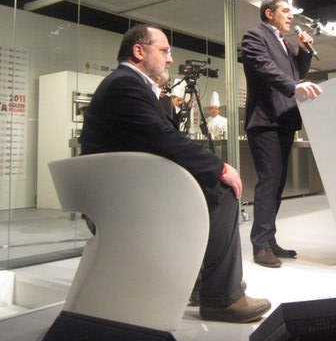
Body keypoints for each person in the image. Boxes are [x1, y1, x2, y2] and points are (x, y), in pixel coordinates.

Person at [79, 24, 271, 323]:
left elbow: (157, 138)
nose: (170, 59)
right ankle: (221, 298)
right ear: (139, 51)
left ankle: (206, 284)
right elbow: (163, 139)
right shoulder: (125, 85)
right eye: (164, 51)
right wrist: (220, 167)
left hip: (123, 192)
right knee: (221, 190)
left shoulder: (129, 85)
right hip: (119, 202)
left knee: (204, 188)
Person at [242, 0, 322, 268]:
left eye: (291, 12)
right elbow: (265, 69)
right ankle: (260, 246)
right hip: (265, 120)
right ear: (269, 13)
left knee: (277, 183)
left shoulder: (284, 43)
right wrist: (293, 86)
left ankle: (269, 239)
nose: (290, 16)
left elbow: (296, 73)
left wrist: (305, 51)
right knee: (269, 181)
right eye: (285, 11)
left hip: (284, 120)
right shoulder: (255, 36)